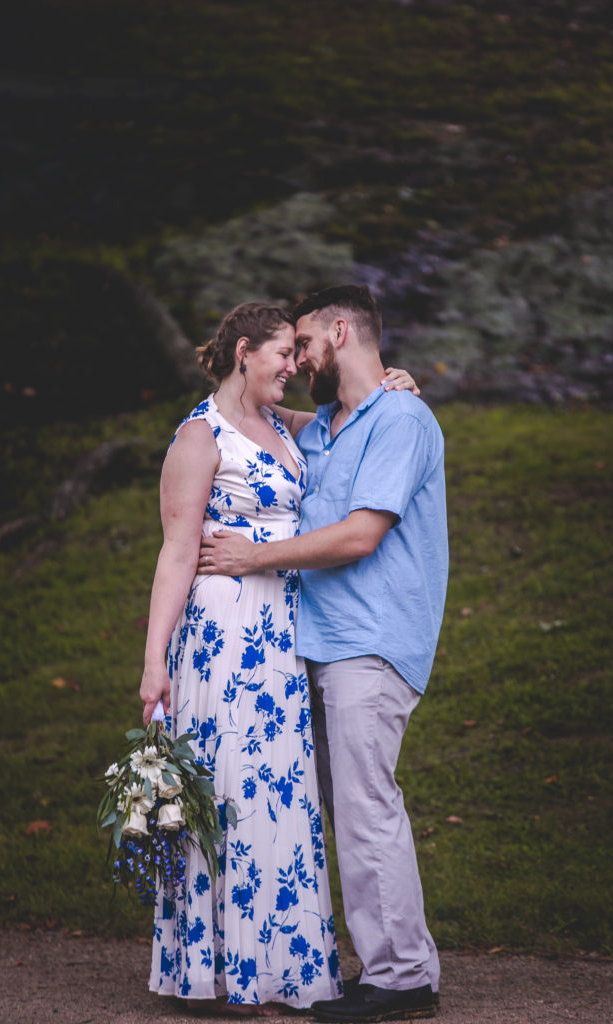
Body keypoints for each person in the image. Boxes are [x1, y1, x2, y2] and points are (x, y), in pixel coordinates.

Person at [139, 300, 418, 1013]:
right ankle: (215, 971)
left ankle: (278, 966)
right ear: (242, 353)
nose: (294, 366)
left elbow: (346, 428)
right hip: (224, 636)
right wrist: (153, 662)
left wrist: (393, 385)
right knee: (227, 794)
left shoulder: (289, 429)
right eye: (282, 354)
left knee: (279, 800)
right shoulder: (200, 440)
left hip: (285, 640)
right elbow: (176, 554)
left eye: (300, 352)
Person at [200, 285, 448, 1023]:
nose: (296, 357)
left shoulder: (399, 419)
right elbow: (247, 396)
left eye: (303, 342)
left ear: (340, 332)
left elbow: (358, 535)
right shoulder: (329, 427)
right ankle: (380, 963)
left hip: (369, 644)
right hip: (319, 644)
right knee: (345, 809)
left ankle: (402, 977)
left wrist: (253, 556)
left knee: (367, 808)